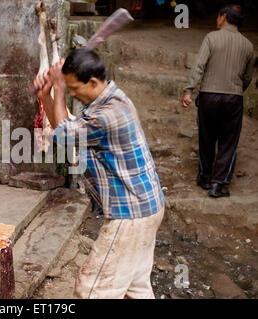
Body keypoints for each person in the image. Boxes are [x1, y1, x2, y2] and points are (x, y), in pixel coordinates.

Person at [33, 48, 165, 299]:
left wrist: (58, 88)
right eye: (68, 88)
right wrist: (46, 96)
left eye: (74, 88)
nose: (72, 93)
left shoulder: (108, 115)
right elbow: (68, 128)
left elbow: (65, 136)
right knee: (135, 290)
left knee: (91, 290)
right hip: (145, 208)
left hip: (131, 214)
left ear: (93, 82)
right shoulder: (110, 100)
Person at [181, 5, 255, 198]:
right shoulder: (248, 45)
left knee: (206, 138)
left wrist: (189, 90)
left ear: (223, 17)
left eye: (218, 17)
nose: (217, 20)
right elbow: (247, 77)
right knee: (228, 142)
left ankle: (205, 177)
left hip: (208, 97)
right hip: (233, 98)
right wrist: (236, 90)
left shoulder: (211, 38)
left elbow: (199, 66)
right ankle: (218, 184)